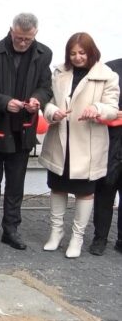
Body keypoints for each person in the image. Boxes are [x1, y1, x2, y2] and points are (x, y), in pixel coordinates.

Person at [39, 33, 119, 258]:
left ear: (91, 52)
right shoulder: (59, 72)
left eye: (82, 53)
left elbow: (113, 107)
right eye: (73, 53)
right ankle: (56, 233)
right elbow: (48, 102)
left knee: (84, 192)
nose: (77, 57)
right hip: (61, 139)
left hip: (88, 142)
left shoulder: (107, 76)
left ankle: (77, 237)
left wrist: (97, 108)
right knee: (58, 186)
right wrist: (53, 112)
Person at [0, 13, 52, 250]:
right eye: (19, 38)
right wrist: (5, 102)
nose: (22, 43)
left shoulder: (44, 54)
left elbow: (45, 87)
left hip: (23, 129)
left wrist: (36, 99)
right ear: (11, 31)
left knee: (16, 184)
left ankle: (11, 229)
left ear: (35, 35)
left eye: (27, 39)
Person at [91, 58, 122, 255]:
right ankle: (100, 237)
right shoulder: (110, 69)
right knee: (104, 190)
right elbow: (98, 102)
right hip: (110, 140)